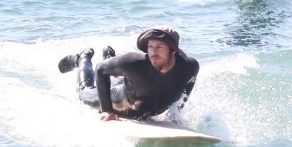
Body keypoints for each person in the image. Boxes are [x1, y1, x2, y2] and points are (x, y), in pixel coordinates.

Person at [58, 26, 199, 122]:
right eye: (150, 47)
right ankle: (83, 58)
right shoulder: (135, 63)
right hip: (118, 100)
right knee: (84, 94)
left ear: (173, 51)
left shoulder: (188, 67)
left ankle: (110, 58)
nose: (153, 53)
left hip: (132, 84)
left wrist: (176, 111)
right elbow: (101, 69)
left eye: (159, 47)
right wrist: (107, 111)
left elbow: (190, 81)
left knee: (116, 73)